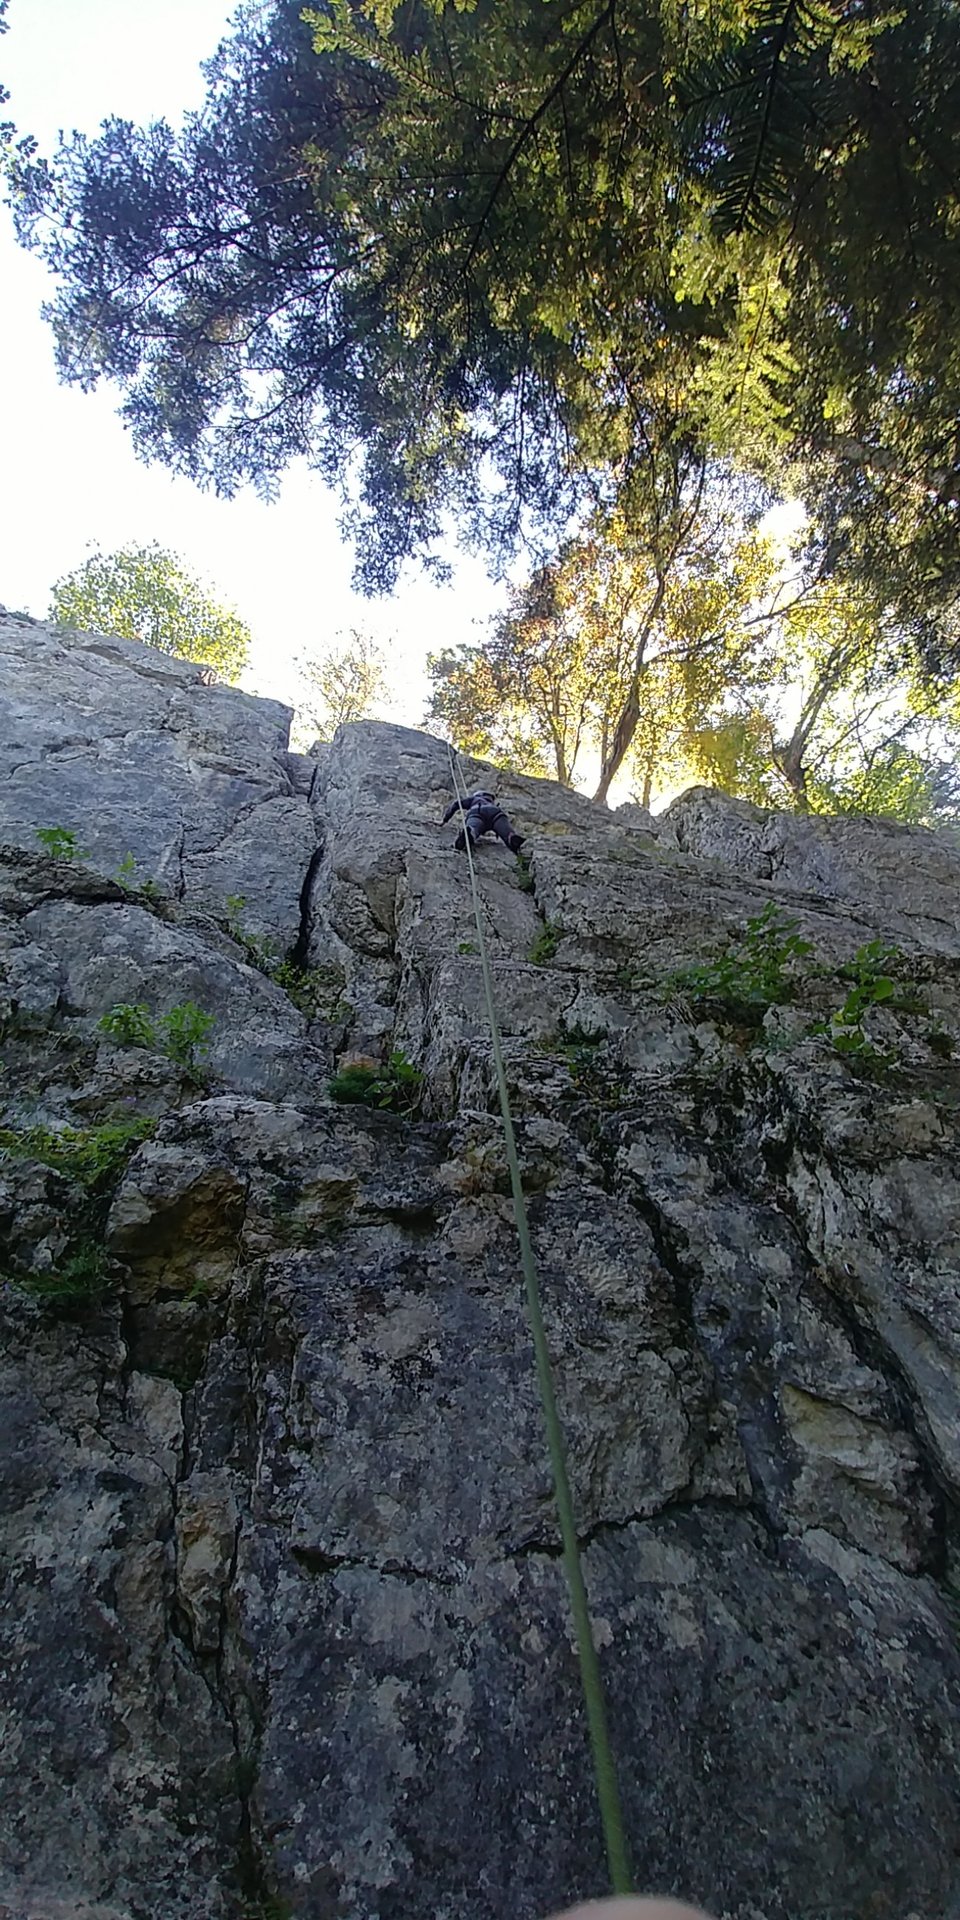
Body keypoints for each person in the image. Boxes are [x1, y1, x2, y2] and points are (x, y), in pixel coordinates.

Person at [441, 788, 525, 855]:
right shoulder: (491, 803)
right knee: (507, 834)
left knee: (473, 828)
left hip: (477, 811)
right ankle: (512, 838)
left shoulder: (475, 799)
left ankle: (469, 833)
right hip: (495, 812)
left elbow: (457, 804)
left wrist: (444, 820)